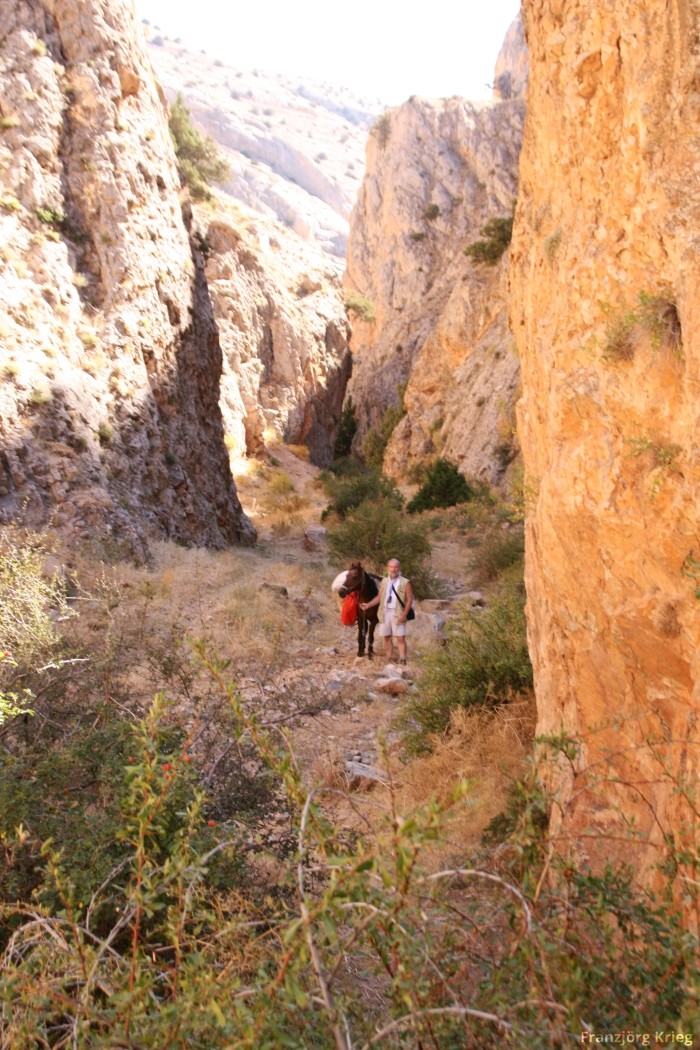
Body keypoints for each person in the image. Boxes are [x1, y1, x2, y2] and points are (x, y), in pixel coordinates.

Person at [360, 558, 413, 665]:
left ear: (399, 568)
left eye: (395, 567)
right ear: (388, 568)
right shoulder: (384, 581)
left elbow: (409, 599)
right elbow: (379, 597)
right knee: (387, 636)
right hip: (385, 612)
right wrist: (368, 605)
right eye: (391, 567)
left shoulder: (405, 582)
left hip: (398, 612)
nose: (393, 569)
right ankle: (389, 658)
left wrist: (404, 614)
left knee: (400, 637)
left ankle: (402, 659)